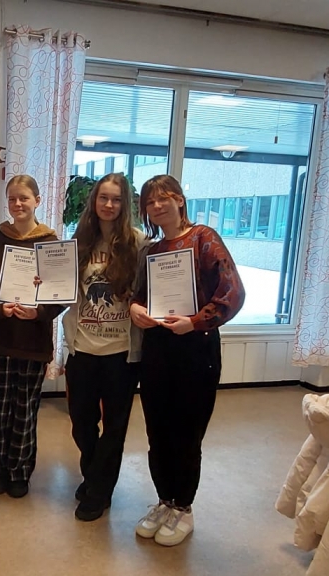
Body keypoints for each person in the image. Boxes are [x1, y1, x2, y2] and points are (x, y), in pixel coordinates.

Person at [129, 174, 244, 547]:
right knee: (157, 430)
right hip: (158, 348)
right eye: (150, 202)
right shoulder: (152, 251)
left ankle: (184, 506)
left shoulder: (203, 238)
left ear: (179, 200)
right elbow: (140, 295)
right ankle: (165, 500)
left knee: (186, 432)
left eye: (164, 198)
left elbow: (232, 293)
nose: (157, 206)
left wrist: (194, 322)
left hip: (196, 347)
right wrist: (135, 310)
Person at [64, 173, 148, 522]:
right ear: (94, 201)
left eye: (116, 199)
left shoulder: (139, 243)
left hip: (120, 352)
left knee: (115, 427)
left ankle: (99, 491)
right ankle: (94, 476)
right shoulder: (80, 241)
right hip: (82, 347)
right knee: (81, 423)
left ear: (125, 204)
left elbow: (149, 290)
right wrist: (45, 283)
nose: (109, 205)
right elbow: (64, 288)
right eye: (103, 198)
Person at [0, 175, 66, 498]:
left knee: (24, 411)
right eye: (12, 198)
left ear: (37, 201)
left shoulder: (52, 245)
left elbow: (61, 295)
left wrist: (39, 312)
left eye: (24, 198)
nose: (17, 204)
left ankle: (19, 472)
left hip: (32, 342)